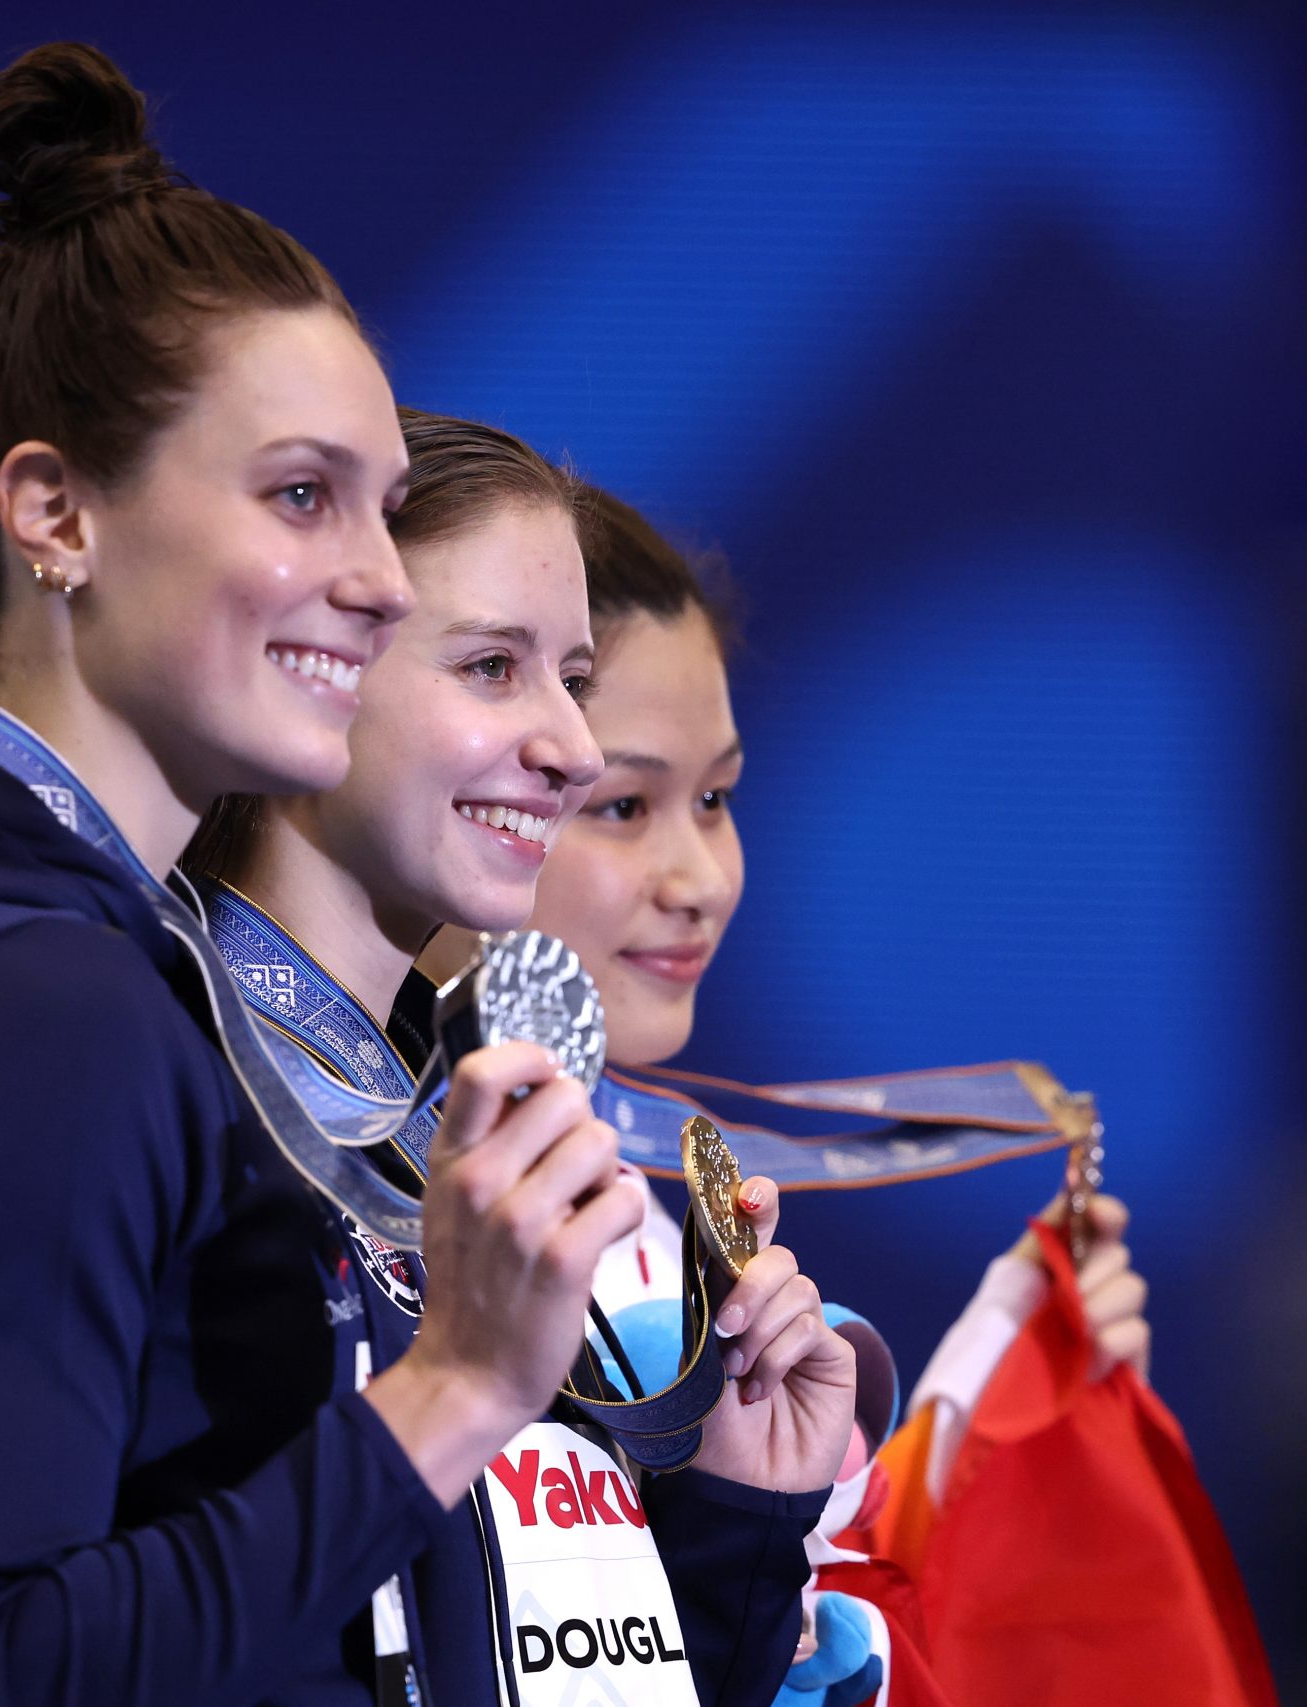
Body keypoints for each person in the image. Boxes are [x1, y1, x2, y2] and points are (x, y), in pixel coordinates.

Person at [0, 46, 723, 1705]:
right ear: (54, 512)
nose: (368, 579)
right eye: (301, 496)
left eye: (383, 510)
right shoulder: (29, 1004)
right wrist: (457, 1390)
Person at [184, 410, 858, 1704]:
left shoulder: (468, 1159)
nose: (563, 745)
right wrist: (457, 1389)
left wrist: (743, 1508)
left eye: (715, 798)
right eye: (494, 667)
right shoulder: (164, 1085)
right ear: (315, 666)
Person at [510, 489, 1171, 1702]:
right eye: (621, 806)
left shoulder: (648, 1220)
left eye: (714, 799)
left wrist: (984, 1423)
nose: (697, 877)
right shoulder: (378, 1212)